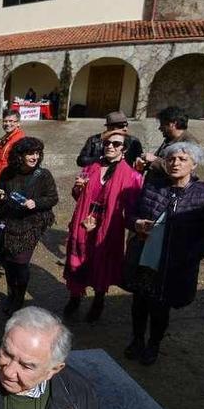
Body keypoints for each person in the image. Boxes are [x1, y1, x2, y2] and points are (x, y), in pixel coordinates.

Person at [125, 142, 204, 365]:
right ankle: (137, 339)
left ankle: (153, 345)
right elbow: (130, 216)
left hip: (174, 264)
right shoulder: (152, 187)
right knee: (139, 303)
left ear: (194, 165)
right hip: (145, 259)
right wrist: (137, 223)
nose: (175, 163)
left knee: (160, 308)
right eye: (170, 159)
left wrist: (189, 257)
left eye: (182, 159)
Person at [64, 132, 143, 322]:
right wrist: (78, 188)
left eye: (116, 144)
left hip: (109, 225)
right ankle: (75, 297)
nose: (110, 146)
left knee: (102, 260)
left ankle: (98, 300)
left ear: (124, 149)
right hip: (84, 219)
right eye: (107, 143)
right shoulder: (91, 167)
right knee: (78, 256)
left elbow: (133, 207)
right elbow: (77, 196)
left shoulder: (132, 176)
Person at [0, 137, 58, 314]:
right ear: (20, 155)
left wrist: (35, 203)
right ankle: (11, 293)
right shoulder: (8, 172)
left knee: (21, 263)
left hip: (31, 224)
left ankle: (19, 298)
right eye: (30, 153)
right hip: (10, 221)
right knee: (8, 262)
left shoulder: (43, 175)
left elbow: (53, 198)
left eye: (37, 153)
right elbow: (1, 196)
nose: (34, 157)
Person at [138, 106, 199, 176]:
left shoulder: (189, 142)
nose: (160, 128)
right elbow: (158, 160)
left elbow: (180, 169)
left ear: (173, 124)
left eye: (162, 124)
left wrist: (154, 160)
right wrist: (145, 162)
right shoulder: (169, 139)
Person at [77, 111, 144, 168]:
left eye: (126, 125)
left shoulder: (133, 141)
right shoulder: (94, 140)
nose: (125, 129)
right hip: (98, 176)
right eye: (121, 126)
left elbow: (140, 161)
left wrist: (141, 161)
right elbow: (81, 161)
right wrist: (102, 159)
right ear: (109, 127)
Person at [0, 109, 25, 186]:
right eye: (5, 121)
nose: (7, 124)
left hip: (10, 184)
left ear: (18, 123)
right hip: (1, 183)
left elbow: (21, 166)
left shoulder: (19, 140)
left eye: (11, 121)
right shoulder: (6, 138)